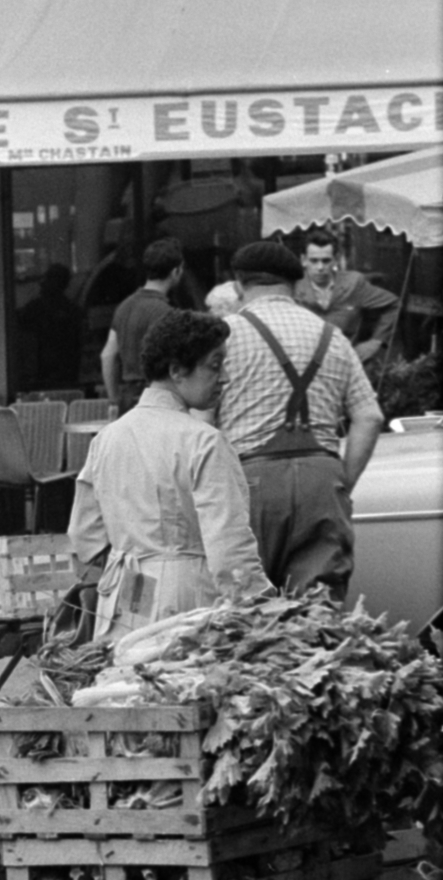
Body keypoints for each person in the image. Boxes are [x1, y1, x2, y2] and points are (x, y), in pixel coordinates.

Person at [68, 309, 271, 640]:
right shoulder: (204, 441)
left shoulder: (106, 439)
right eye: (215, 365)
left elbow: (84, 536)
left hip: (121, 593)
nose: (224, 378)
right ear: (176, 370)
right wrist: (260, 606)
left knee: (126, 671)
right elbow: (229, 546)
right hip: (187, 598)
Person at [218, 240, 384, 601]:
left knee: (246, 613)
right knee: (317, 615)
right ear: (295, 284)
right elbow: (369, 417)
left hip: (251, 482)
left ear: (239, 284)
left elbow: (201, 422)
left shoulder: (223, 337)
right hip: (322, 481)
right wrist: (342, 483)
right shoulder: (332, 337)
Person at [101, 238, 185, 413]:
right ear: (175, 271)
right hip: (158, 397)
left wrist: (113, 400)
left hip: (127, 397)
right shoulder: (167, 312)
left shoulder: (124, 307)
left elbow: (108, 355)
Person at [295, 229, 399, 365]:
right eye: (314, 261)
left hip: (345, 363)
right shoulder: (293, 287)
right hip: (303, 364)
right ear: (303, 260)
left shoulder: (353, 284)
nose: (320, 267)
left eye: (326, 261)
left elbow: (393, 304)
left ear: (336, 260)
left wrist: (376, 341)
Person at [15, 263, 85, 392]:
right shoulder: (72, 310)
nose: (42, 283)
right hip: (62, 373)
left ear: (57, 282)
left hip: (47, 373)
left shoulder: (38, 308)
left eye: (48, 279)